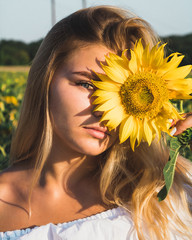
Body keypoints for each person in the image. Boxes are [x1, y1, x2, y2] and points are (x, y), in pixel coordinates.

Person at [0, 5, 192, 240]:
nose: (104, 108)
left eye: (122, 93)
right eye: (87, 84)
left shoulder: (164, 189)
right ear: (45, 80)